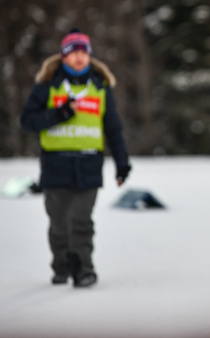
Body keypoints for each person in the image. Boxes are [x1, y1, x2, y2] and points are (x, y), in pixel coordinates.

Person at [21, 28, 131, 288]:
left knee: (81, 221)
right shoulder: (47, 86)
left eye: (84, 52)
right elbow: (27, 121)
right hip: (55, 163)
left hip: (89, 164)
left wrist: (122, 164)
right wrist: (58, 114)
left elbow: (114, 129)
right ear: (64, 57)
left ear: (90, 56)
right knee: (59, 223)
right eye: (74, 53)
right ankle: (61, 266)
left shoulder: (101, 88)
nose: (79, 58)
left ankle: (83, 269)